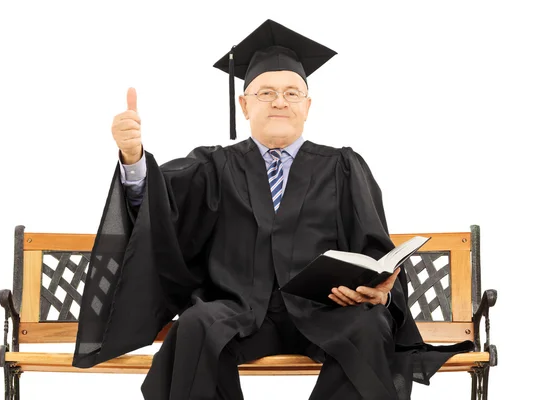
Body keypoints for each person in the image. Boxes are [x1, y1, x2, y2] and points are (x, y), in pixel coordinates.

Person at [72, 19, 474, 400]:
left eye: (291, 93)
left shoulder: (343, 166)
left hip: (327, 310)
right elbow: (159, 212)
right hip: (239, 313)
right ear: (245, 104)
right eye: (266, 93)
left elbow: (374, 249)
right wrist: (133, 158)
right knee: (195, 327)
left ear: (308, 105)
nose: (279, 102)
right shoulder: (213, 166)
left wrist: (379, 293)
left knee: (369, 326)